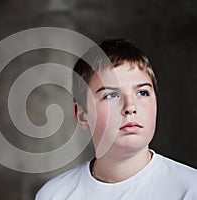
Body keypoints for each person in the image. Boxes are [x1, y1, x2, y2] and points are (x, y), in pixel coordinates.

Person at [35, 39, 197, 199]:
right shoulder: (54, 194)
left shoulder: (190, 189)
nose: (130, 107)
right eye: (111, 95)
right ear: (82, 114)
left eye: (142, 93)